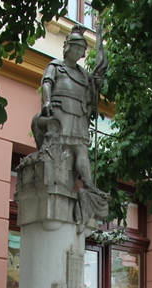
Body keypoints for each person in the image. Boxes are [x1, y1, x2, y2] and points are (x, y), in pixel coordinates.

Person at [32, 24, 106, 189]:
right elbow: (47, 83)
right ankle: (57, 181)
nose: (80, 53)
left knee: (81, 149)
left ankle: (88, 185)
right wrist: (48, 101)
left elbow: (89, 98)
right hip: (61, 110)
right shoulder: (55, 66)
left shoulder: (83, 74)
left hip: (79, 114)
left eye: (82, 50)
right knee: (61, 147)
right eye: (77, 48)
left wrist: (95, 85)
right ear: (68, 47)